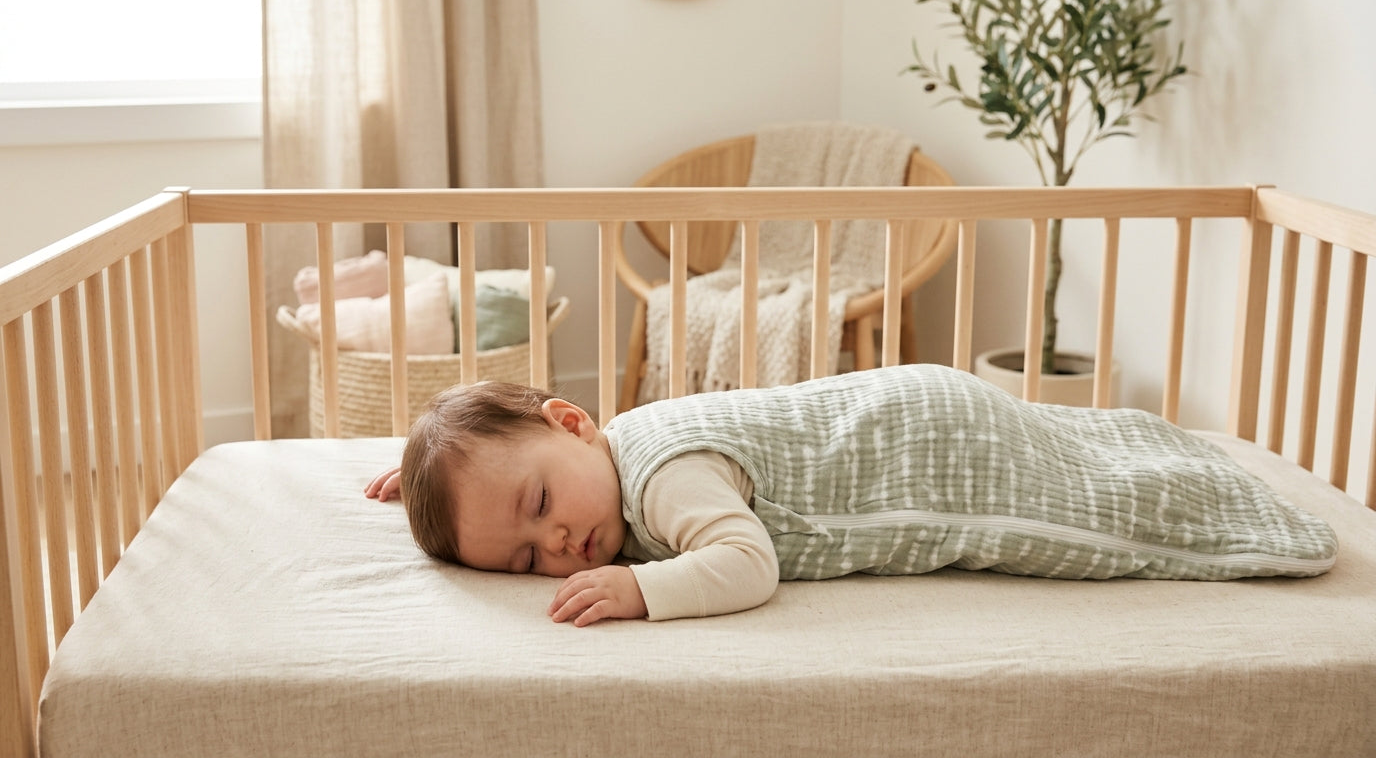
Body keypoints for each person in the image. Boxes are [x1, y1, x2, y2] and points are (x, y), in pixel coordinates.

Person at [366, 364, 1337, 628]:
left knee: (1094, 509)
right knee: (1086, 447)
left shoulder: (664, 479)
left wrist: (642, 590)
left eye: (540, 505)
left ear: (576, 422)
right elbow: (501, 473)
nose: (557, 544)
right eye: (522, 557)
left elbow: (747, 564)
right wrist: (439, 486)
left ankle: (1220, 504)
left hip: (934, 445)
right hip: (913, 396)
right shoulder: (605, 450)